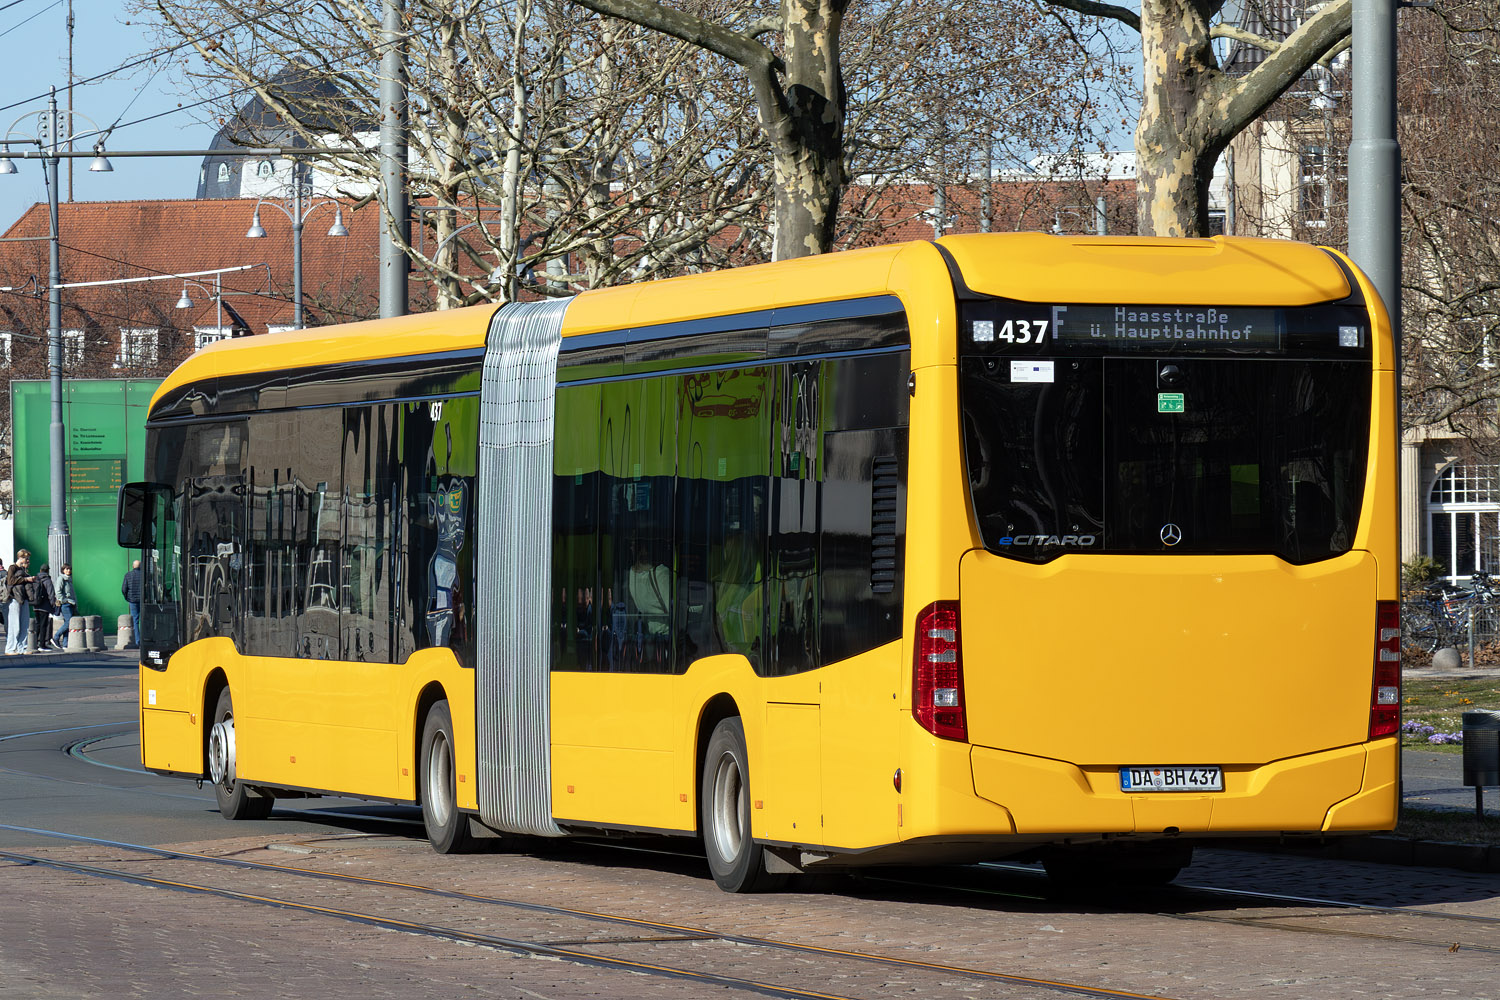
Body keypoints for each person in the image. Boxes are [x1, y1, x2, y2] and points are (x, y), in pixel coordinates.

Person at [5, 550, 35, 655]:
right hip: (14, 598)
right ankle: (10, 648)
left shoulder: (23, 569)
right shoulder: (12, 567)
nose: (27, 561)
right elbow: (10, 581)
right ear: (21, 558)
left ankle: (22, 648)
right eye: (26, 559)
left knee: (24, 624)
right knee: (14, 624)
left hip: (23, 598)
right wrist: (26, 579)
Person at [31, 564, 56, 651]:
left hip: (36, 605)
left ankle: (33, 643)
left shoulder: (36, 578)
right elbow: (51, 593)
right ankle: (42, 644)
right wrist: (53, 604)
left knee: (37, 624)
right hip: (44, 606)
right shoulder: (47, 580)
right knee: (43, 625)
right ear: (47, 570)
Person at [121, 559, 144, 647]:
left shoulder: (128, 575)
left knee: (135, 620)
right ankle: (144, 639)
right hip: (142, 600)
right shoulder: (144, 575)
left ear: (133, 566)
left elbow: (124, 588)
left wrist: (127, 597)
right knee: (144, 620)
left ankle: (138, 641)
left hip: (133, 600)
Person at [54, 564, 76, 649]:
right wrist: (63, 600)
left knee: (67, 624)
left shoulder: (69, 580)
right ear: (63, 570)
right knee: (69, 622)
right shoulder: (61, 578)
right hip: (65, 604)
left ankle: (65, 644)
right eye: (66, 569)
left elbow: (73, 594)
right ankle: (56, 637)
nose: (68, 571)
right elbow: (58, 591)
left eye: (70, 569)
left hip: (71, 604)